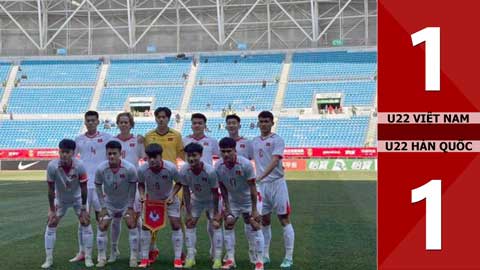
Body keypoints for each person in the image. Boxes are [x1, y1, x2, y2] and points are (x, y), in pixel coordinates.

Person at [41, 139, 94, 269]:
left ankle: (88, 257)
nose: (64, 155)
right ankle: (49, 259)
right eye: (62, 152)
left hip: (77, 199)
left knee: (85, 222)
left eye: (67, 152)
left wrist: (83, 208)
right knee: (51, 223)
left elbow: (84, 188)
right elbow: (50, 189)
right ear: (59, 151)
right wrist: (52, 209)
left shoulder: (80, 165)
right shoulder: (52, 166)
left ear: (73, 153)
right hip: (61, 199)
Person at [252, 111, 295, 269]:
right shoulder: (254, 141)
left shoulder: (278, 140)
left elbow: (275, 160)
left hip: (277, 184)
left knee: (284, 219)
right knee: (264, 220)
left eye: (266, 121)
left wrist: (261, 175)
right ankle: (265, 255)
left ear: (272, 123)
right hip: (262, 186)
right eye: (261, 121)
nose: (263, 124)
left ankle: (288, 257)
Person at [215, 137, 265, 270]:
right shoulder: (218, 166)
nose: (226, 154)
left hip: (250, 200)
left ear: (234, 150)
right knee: (228, 224)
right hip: (234, 200)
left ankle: (260, 261)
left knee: (255, 225)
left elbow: (253, 188)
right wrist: (227, 207)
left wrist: (254, 210)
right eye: (223, 151)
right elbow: (223, 188)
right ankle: (231, 259)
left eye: (229, 151)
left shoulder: (245, 164)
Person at [143, 107, 185, 262]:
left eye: (164, 117)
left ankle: (180, 252)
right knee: (152, 219)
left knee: (177, 219)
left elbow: (183, 155)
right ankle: (152, 249)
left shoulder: (176, 135)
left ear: (168, 119)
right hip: (154, 183)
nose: (161, 119)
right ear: (155, 118)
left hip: (173, 183)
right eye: (158, 117)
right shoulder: (149, 136)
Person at [71, 111, 112, 263]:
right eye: (88, 120)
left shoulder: (107, 138)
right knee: (82, 218)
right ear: (85, 122)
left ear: (98, 121)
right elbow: (73, 160)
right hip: (84, 185)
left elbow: (120, 148)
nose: (90, 123)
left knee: (102, 218)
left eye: (93, 120)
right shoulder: (79, 140)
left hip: (101, 185)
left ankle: (103, 253)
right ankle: (82, 252)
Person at [137, 144, 184, 268]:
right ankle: (144, 258)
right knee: (146, 227)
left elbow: (179, 183)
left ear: (160, 156)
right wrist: (142, 195)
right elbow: (140, 184)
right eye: (149, 157)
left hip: (169, 200)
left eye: (155, 157)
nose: (152, 160)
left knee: (175, 224)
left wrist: (172, 195)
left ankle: (178, 258)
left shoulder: (171, 167)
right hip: (152, 201)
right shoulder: (142, 169)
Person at [94, 140, 139, 267]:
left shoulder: (130, 168)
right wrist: (103, 206)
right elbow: (98, 187)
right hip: (109, 203)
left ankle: (134, 257)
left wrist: (130, 207)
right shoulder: (101, 169)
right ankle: (103, 257)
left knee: (131, 224)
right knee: (102, 226)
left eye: (114, 153)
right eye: (109, 154)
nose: (111, 156)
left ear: (121, 154)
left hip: (126, 202)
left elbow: (133, 189)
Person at [108, 112, 145, 263]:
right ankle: (114, 249)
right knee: (115, 219)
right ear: (117, 124)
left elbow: (145, 157)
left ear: (131, 124)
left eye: (126, 122)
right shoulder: (111, 141)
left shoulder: (138, 140)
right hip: (116, 187)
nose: (123, 124)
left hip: (133, 185)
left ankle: (140, 250)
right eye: (121, 122)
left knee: (136, 219)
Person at [179, 143, 223, 269]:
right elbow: (186, 191)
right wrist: (187, 212)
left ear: (201, 155)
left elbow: (215, 193)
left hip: (211, 200)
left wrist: (215, 213)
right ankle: (191, 257)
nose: (191, 159)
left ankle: (217, 257)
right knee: (189, 223)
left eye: (194, 155)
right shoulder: (184, 170)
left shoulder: (210, 171)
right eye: (189, 156)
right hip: (196, 200)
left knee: (216, 224)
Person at [183, 113, 220, 258]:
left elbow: (221, 157)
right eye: (194, 123)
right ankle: (191, 253)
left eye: (200, 123)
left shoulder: (211, 141)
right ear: (191, 125)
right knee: (191, 221)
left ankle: (214, 249)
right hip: (195, 187)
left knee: (213, 221)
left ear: (205, 125)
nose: (197, 125)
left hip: (209, 184)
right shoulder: (185, 140)